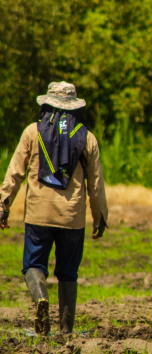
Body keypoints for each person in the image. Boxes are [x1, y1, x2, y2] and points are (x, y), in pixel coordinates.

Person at [0, 81, 108, 336]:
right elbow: (96, 183)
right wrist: (100, 216)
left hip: (39, 214)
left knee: (33, 264)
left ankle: (40, 299)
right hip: (72, 218)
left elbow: (14, 173)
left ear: (47, 103)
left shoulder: (31, 132)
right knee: (68, 272)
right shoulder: (88, 137)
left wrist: (3, 205)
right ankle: (67, 330)